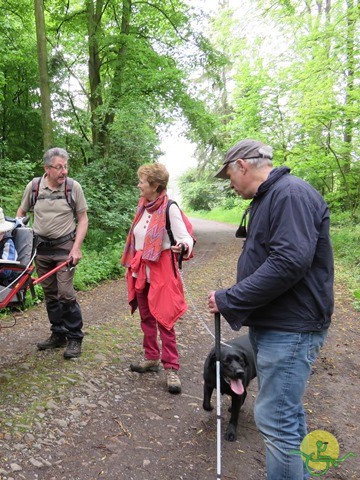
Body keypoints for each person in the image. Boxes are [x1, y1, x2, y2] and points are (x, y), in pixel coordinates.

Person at [207, 139, 333, 479]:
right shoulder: (270, 198)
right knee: (286, 417)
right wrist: (232, 295)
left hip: (291, 328)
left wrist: (230, 298)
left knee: (276, 419)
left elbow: (289, 262)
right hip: (276, 324)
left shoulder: (289, 195)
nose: (229, 183)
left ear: (242, 166)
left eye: (228, 175)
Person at [120, 163, 193, 394]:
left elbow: (186, 238)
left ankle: (171, 368)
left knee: (165, 319)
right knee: (146, 316)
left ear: (155, 185)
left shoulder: (170, 208)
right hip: (140, 269)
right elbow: (137, 238)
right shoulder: (143, 205)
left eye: (142, 181)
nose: (139, 184)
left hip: (161, 269)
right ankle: (152, 357)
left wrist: (182, 245)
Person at [16, 147, 88, 359]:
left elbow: (82, 219)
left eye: (65, 166)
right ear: (47, 168)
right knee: (49, 293)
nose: (64, 171)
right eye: (59, 167)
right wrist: (19, 238)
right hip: (41, 249)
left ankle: (75, 337)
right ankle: (58, 333)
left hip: (65, 247)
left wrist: (76, 247)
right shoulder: (35, 186)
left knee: (65, 292)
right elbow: (22, 212)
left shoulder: (73, 187)